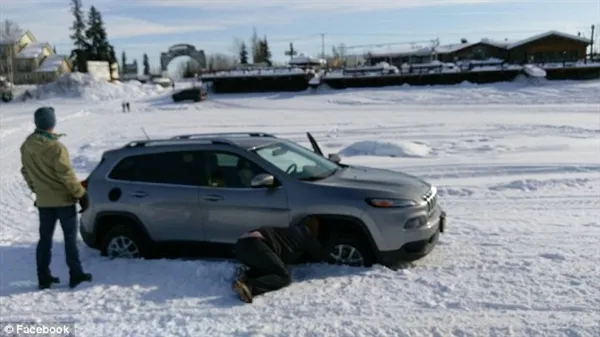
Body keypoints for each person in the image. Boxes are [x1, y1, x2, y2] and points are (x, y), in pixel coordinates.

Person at [20, 106, 92, 290]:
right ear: (52, 123)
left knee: (45, 239)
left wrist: (37, 190)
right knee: (70, 239)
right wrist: (81, 194)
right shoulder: (56, 148)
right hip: (64, 201)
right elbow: (66, 175)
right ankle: (75, 274)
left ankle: (43, 277)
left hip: (44, 201)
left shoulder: (26, 146)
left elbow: (26, 172)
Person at [232, 216, 328, 303]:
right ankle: (250, 287)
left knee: (271, 268)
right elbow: (320, 254)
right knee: (283, 276)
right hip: (257, 245)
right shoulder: (307, 235)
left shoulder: (291, 231)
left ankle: (245, 274)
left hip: (241, 245)